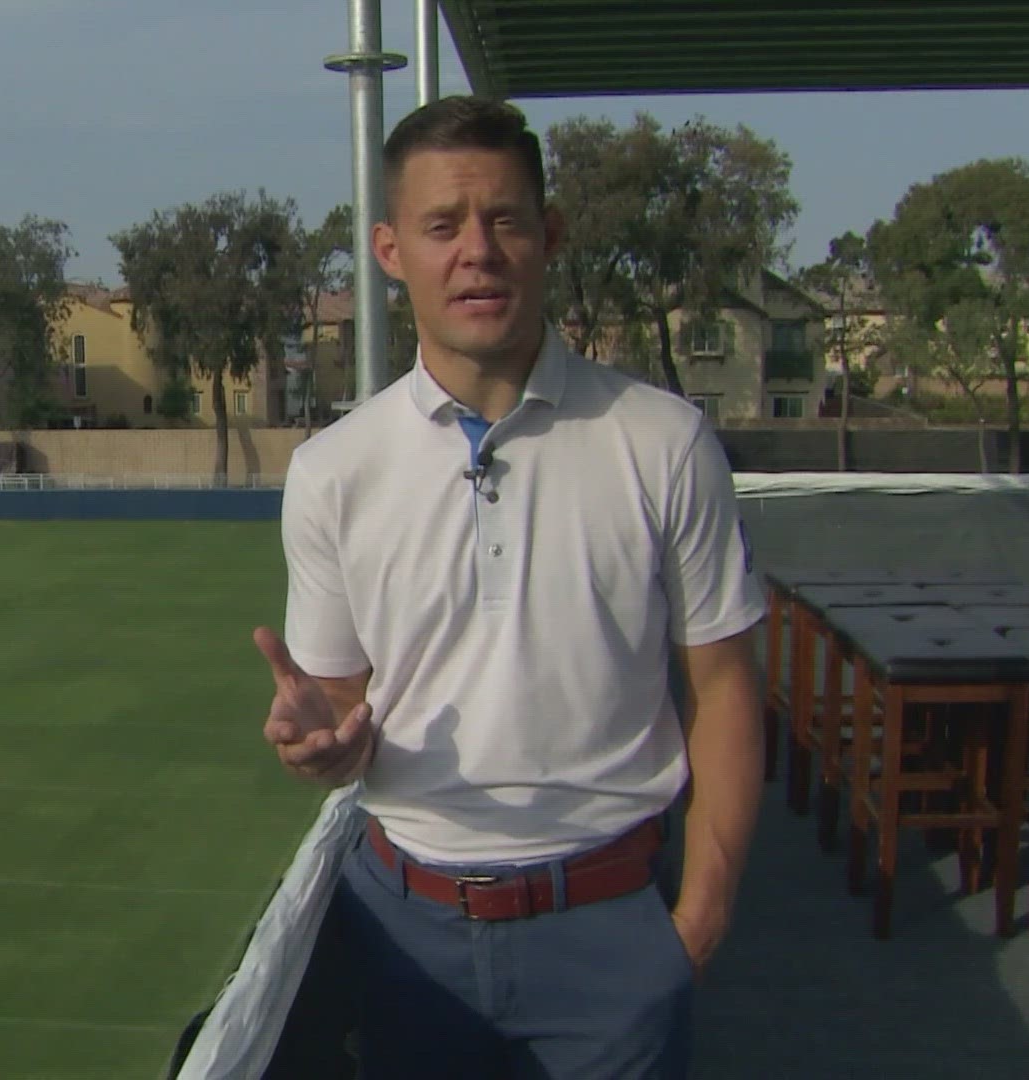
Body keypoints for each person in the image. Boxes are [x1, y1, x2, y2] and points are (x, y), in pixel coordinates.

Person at [253, 95, 766, 1078]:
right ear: (391, 251)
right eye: (443, 225)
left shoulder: (663, 442)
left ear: (550, 235)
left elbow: (727, 685)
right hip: (404, 937)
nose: (476, 251)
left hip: (614, 930)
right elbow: (344, 712)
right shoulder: (333, 469)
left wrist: (696, 922)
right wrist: (319, 743)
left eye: (505, 219)